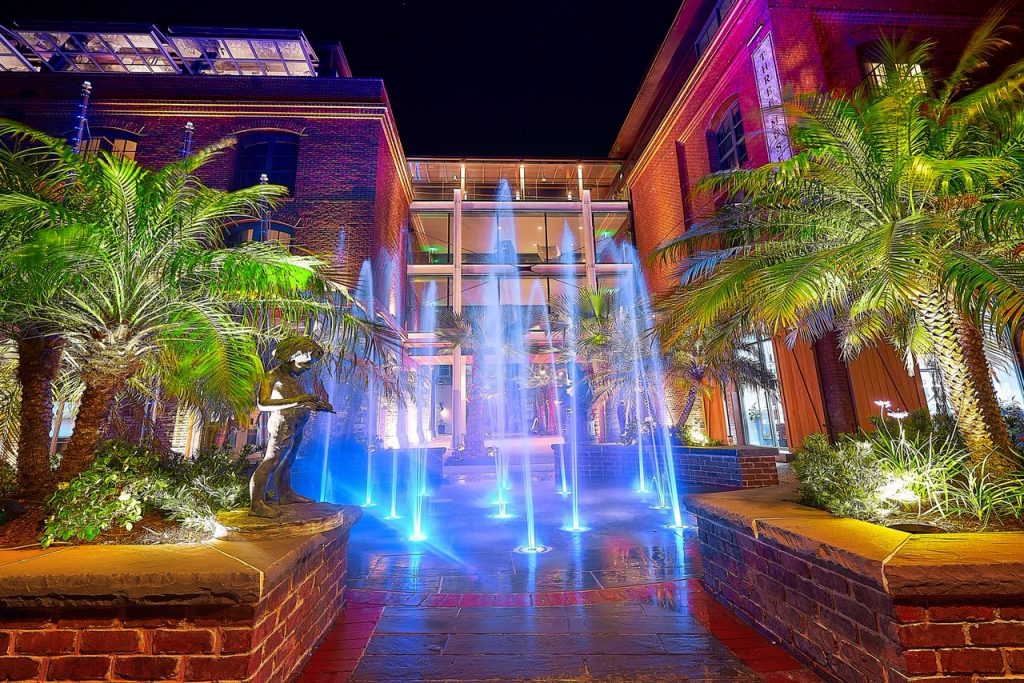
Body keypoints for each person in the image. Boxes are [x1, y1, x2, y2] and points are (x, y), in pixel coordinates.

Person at [250, 336, 333, 518]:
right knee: (271, 461)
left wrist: (318, 405)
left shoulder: (293, 378)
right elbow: (263, 403)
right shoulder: (272, 376)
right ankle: (257, 503)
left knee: (289, 460)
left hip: (297, 425)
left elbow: (299, 402)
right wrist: (299, 400)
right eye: (304, 364)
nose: (308, 367)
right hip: (282, 425)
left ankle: (286, 493)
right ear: (291, 356)